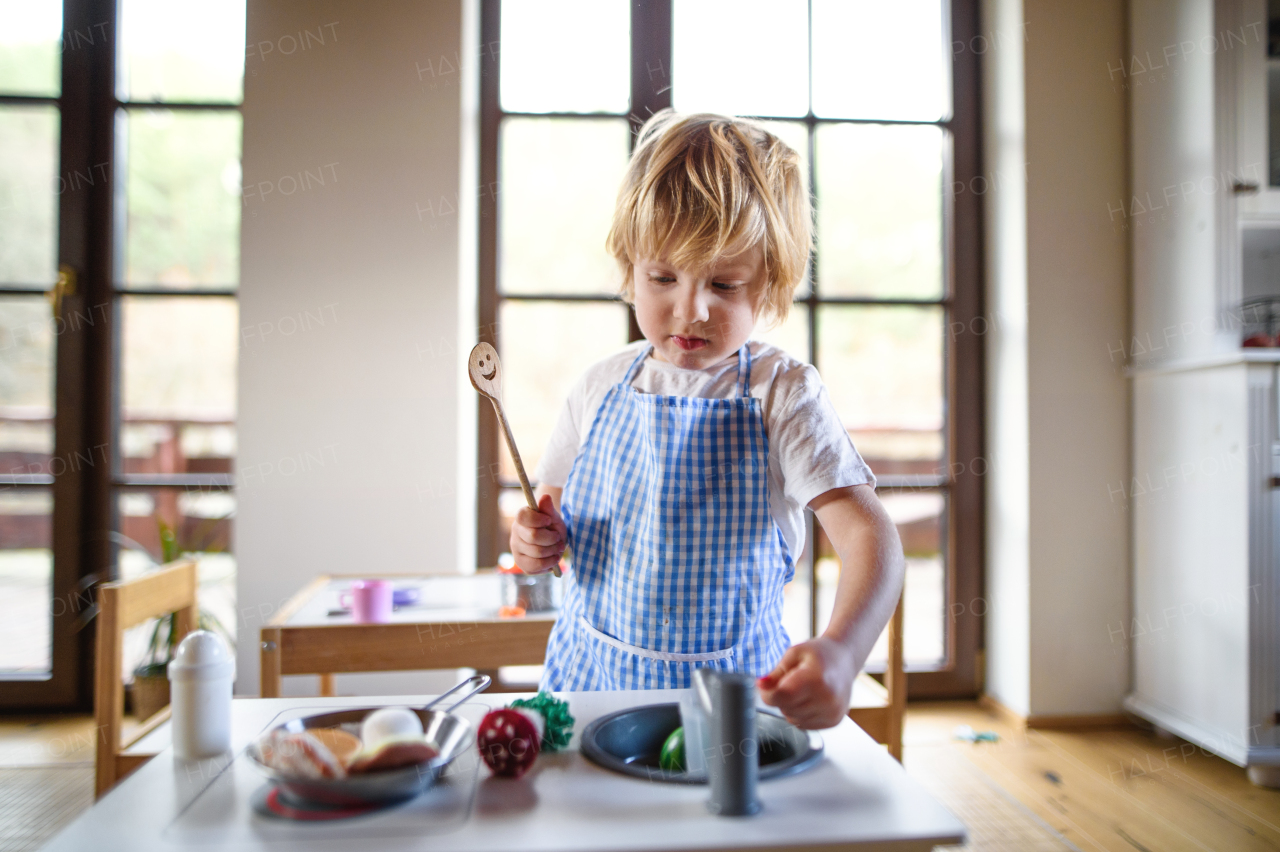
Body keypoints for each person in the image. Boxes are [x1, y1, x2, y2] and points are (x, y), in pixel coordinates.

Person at [510, 110, 905, 729]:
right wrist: (534, 542)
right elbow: (550, 517)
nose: (689, 309)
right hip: (591, 687)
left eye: (723, 284)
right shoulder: (599, 386)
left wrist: (842, 652)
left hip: (735, 703)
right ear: (628, 266)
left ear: (768, 284)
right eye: (662, 277)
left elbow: (871, 539)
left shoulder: (782, 394)